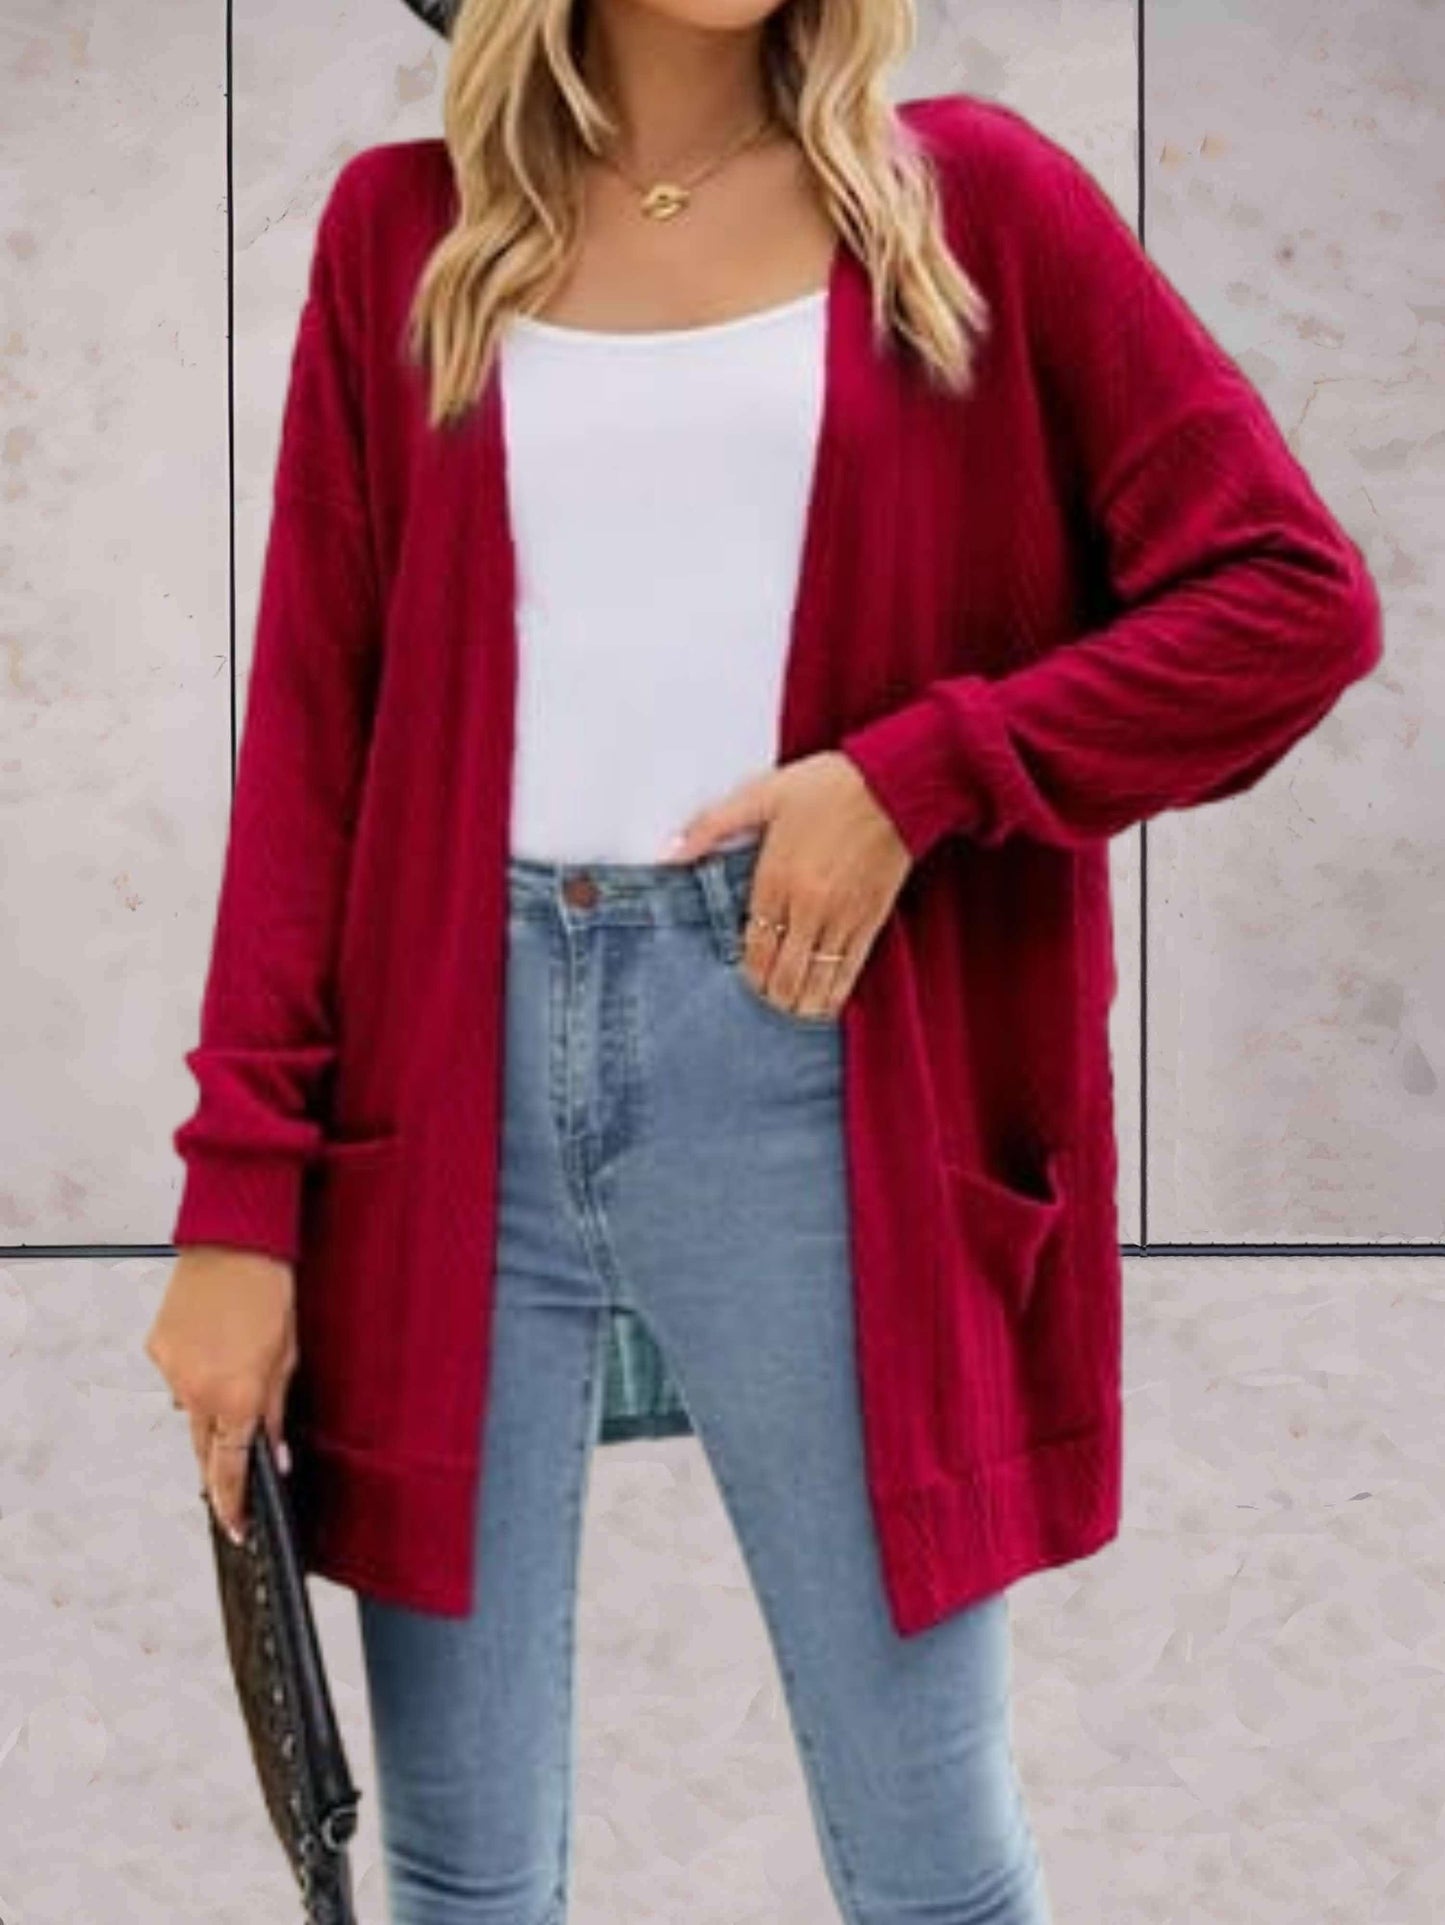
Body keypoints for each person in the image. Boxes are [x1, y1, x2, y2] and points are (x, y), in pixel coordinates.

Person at [145, 0, 1383, 1919]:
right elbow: (313, 740)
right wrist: (238, 1205)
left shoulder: (972, 206)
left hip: (824, 1071)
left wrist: (919, 775)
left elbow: (1288, 600)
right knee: (458, 1870)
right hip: (441, 1093)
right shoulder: (403, 233)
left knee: (927, 1858)